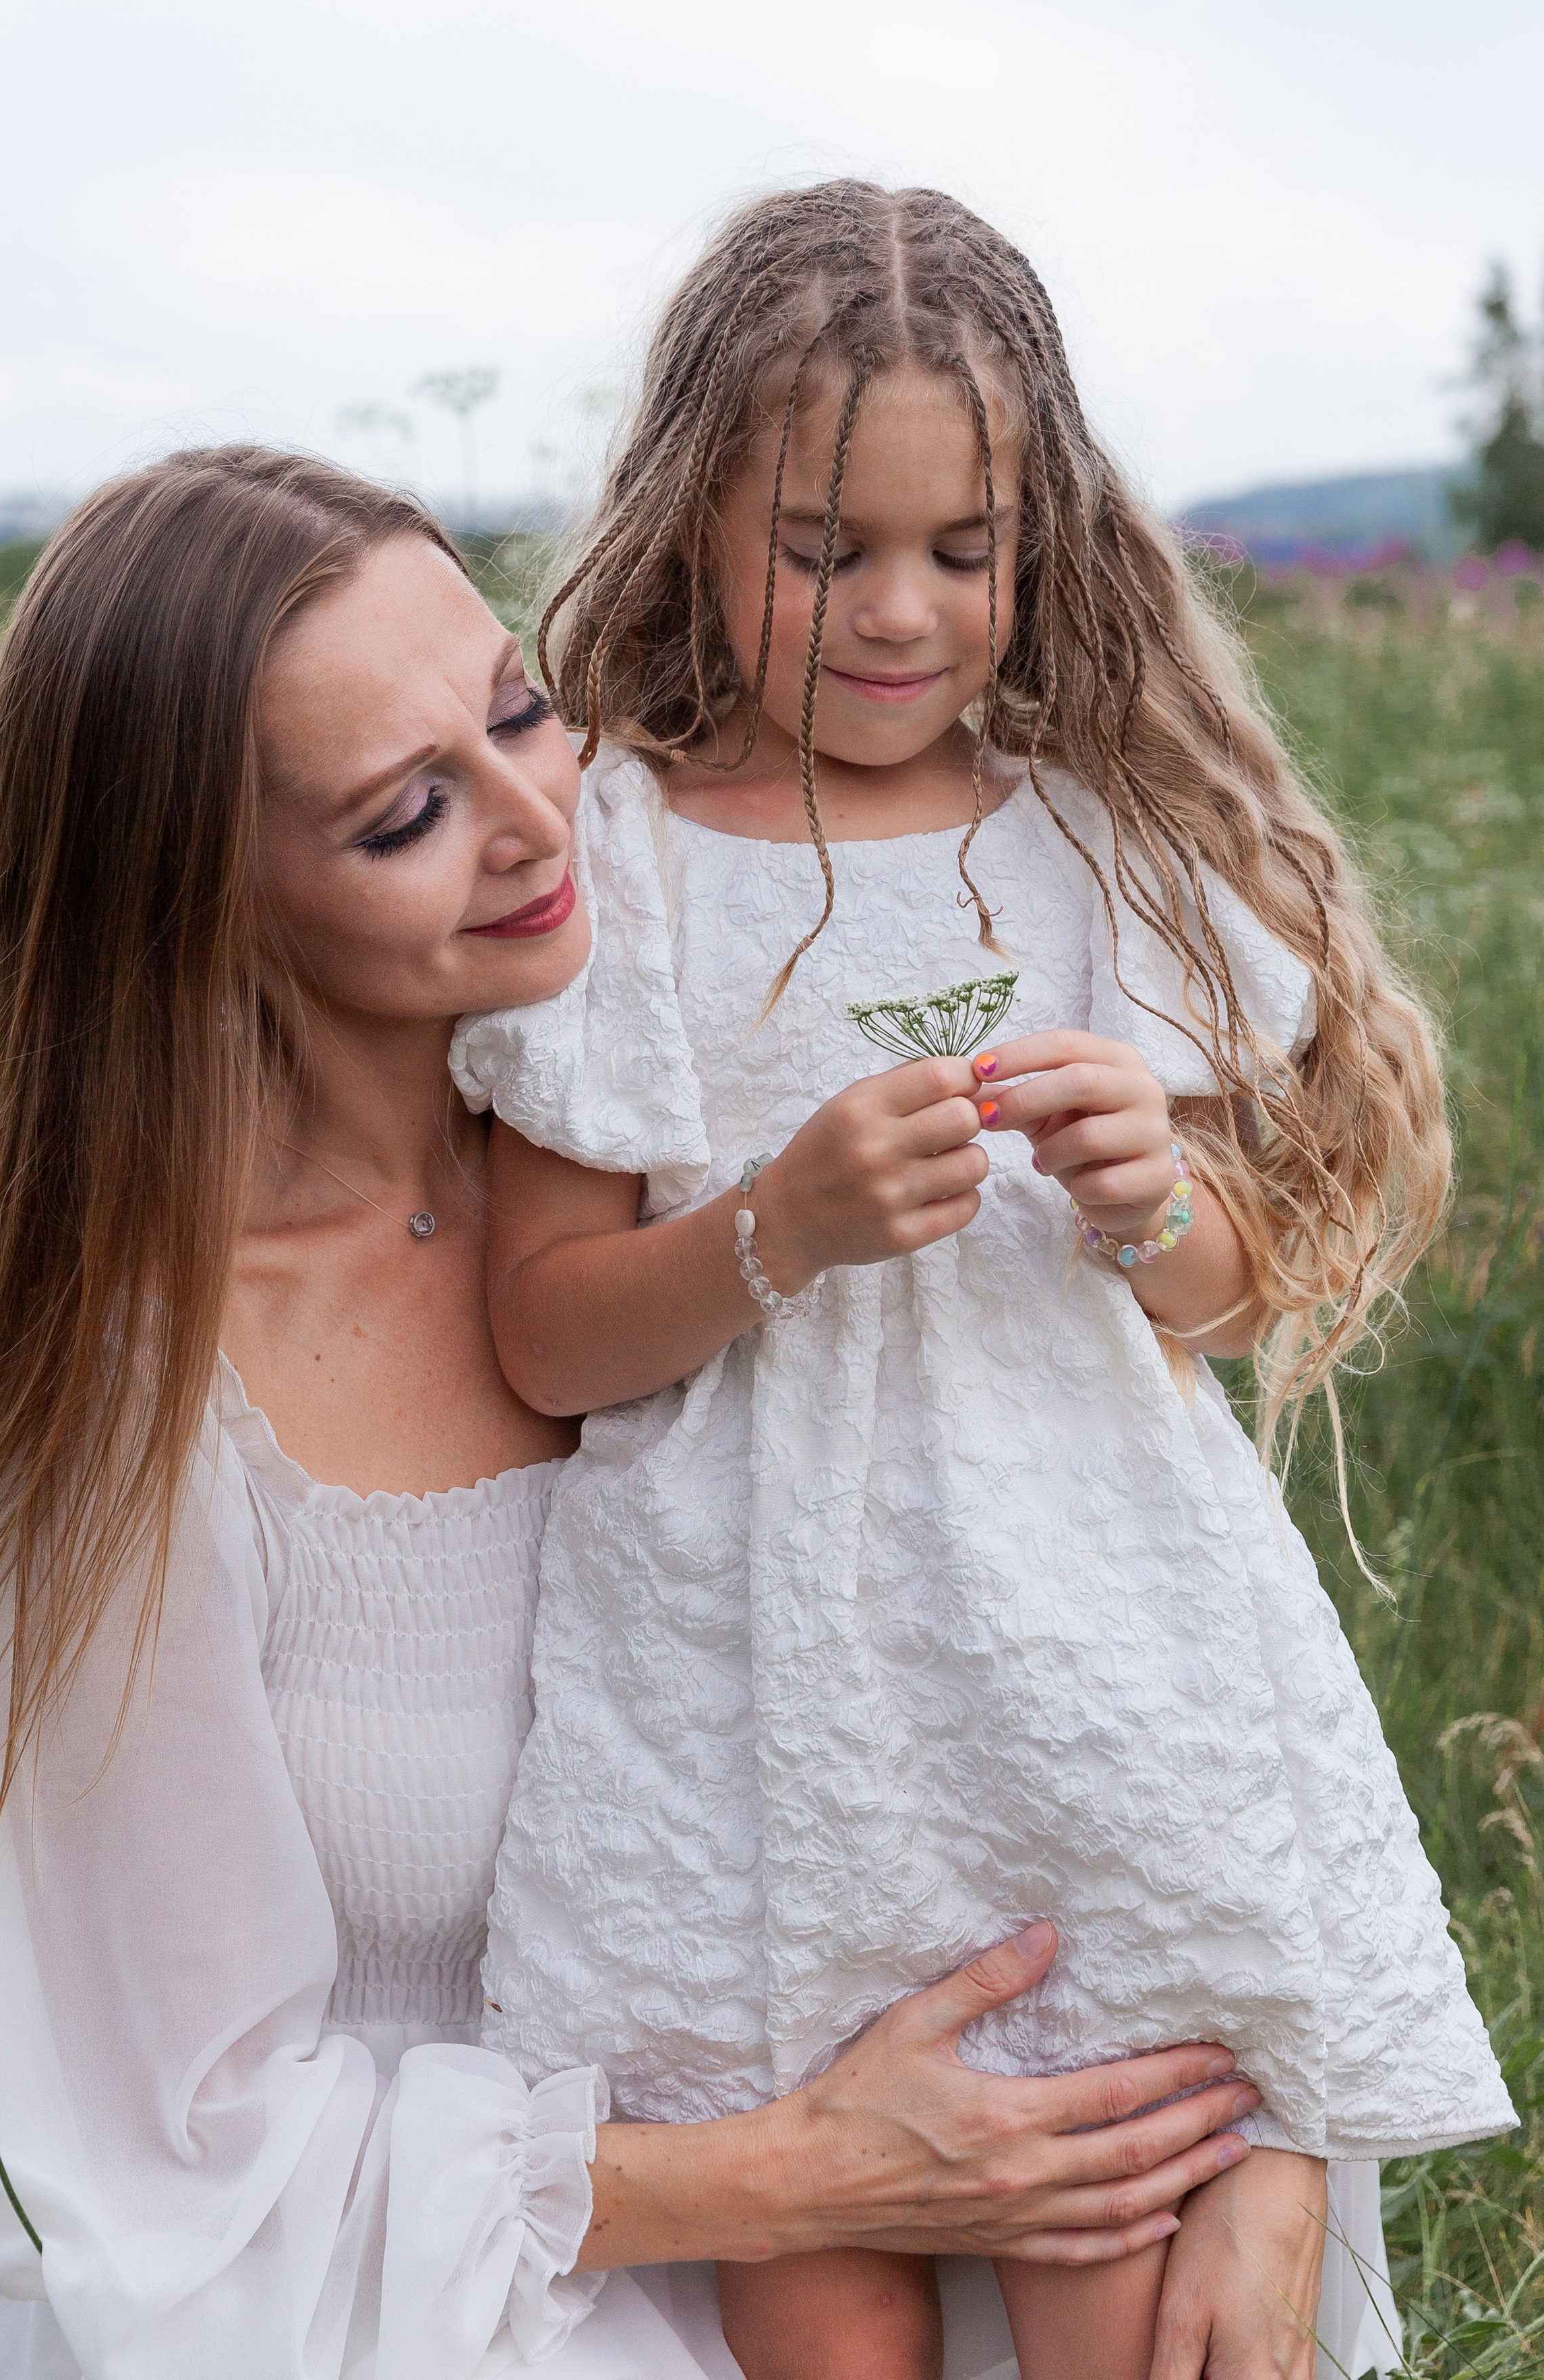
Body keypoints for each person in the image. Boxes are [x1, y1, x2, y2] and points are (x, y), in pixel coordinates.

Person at [0, 446, 1264, 2380]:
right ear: (201, 910)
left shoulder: (712, 1186)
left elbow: (1116, 1655)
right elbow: (154, 2162)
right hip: (347, 2303)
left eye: (519, 707)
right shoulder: (130, 1407)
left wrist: (1270, 2125)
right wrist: (804, 2175)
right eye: (405, 814)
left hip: (809, 2200)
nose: (541, 819)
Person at [452, 183, 1516, 2380]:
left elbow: (1219, 1304)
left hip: (1083, 1676)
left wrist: (1148, 1201)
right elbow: (542, 1329)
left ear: (1044, 539)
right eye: (824, 548)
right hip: (751, 1711)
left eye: (965, 548)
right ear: (691, 518)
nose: (899, 612)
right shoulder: (624, 864)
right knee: (825, 2299)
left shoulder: (1097, 844)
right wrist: (776, 1232)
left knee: (1114, 2237)